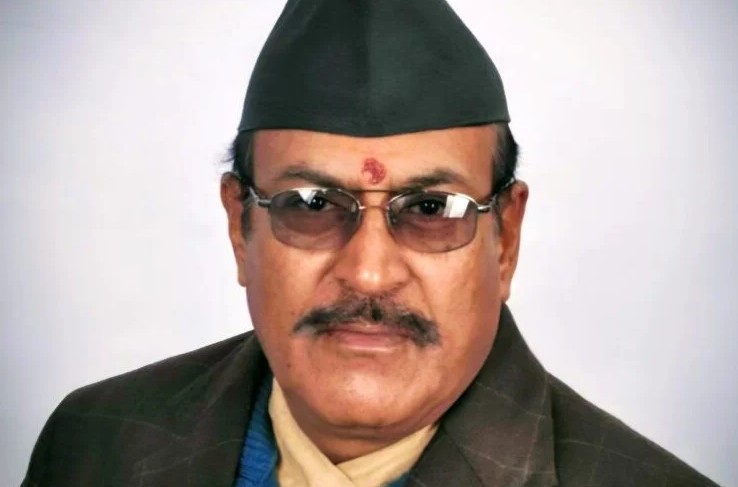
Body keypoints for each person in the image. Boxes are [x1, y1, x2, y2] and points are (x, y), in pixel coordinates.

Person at [22, 0, 718, 486]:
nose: (370, 273)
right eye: (311, 205)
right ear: (240, 227)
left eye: (432, 208)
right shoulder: (94, 445)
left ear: (504, 239)